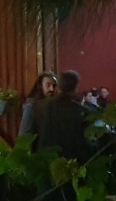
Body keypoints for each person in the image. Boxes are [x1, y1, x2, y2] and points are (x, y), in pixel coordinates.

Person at [36, 71, 96, 201]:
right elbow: (84, 141)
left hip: (45, 164)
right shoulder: (81, 111)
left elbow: (32, 134)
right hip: (71, 167)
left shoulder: (40, 107)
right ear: (76, 87)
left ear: (59, 86)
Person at [18, 71, 57, 136]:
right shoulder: (31, 106)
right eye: (48, 85)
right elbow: (24, 135)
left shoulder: (52, 105)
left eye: (54, 85)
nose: (52, 89)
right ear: (40, 86)